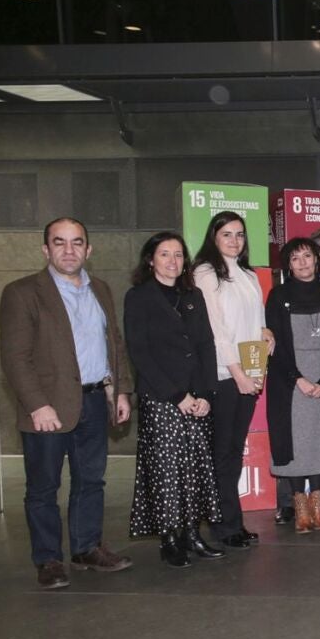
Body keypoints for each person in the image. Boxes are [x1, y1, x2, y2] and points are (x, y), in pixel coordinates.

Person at [0, 217, 135, 589]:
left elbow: (113, 343)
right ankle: (48, 560)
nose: (69, 250)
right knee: (43, 488)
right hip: (48, 408)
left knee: (90, 481)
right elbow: (15, 357)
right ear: (46, 249)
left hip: (93, 401)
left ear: (88, 249)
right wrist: (37, 405)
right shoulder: (22, 293)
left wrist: (119, 390)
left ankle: (86, 548)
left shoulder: (100, 289)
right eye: (59, 242)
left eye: (77, 242)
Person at [124, 232, 223, 568]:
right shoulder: (138, 297)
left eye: (178, 254)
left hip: (198, 398)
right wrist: (177, 395)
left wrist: (206, 394)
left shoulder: (193, 295)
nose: (172, 261)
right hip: (162, 398)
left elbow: (206, 345)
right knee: (167, 471)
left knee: (196, 468)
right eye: (164, 254)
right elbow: (140, 352)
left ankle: (193, 534)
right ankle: (169, 539)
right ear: (150, 260)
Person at [193, 211, 275, 550]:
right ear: (213, 237)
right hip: (224, 375)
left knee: (232, 451)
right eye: (227, 234)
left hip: (249, 373)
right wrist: (237, 373)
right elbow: (215, 330)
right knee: (221, 453)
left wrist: (266, 332)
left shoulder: (248, 274)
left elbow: (255, 319)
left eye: (239, 234)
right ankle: (222, 525)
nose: (234, 240)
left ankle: (232, 522)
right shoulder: (205, 273)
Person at [265, 238, 320, 534]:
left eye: (307, 256)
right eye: (295, 258)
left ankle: (318, 501)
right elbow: (276, 345)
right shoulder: (277, 296)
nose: (302, 263)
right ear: (288, 265)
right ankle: (299, 502)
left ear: (317, 259)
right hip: (290, 379)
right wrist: (297, 378)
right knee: (294, 441)